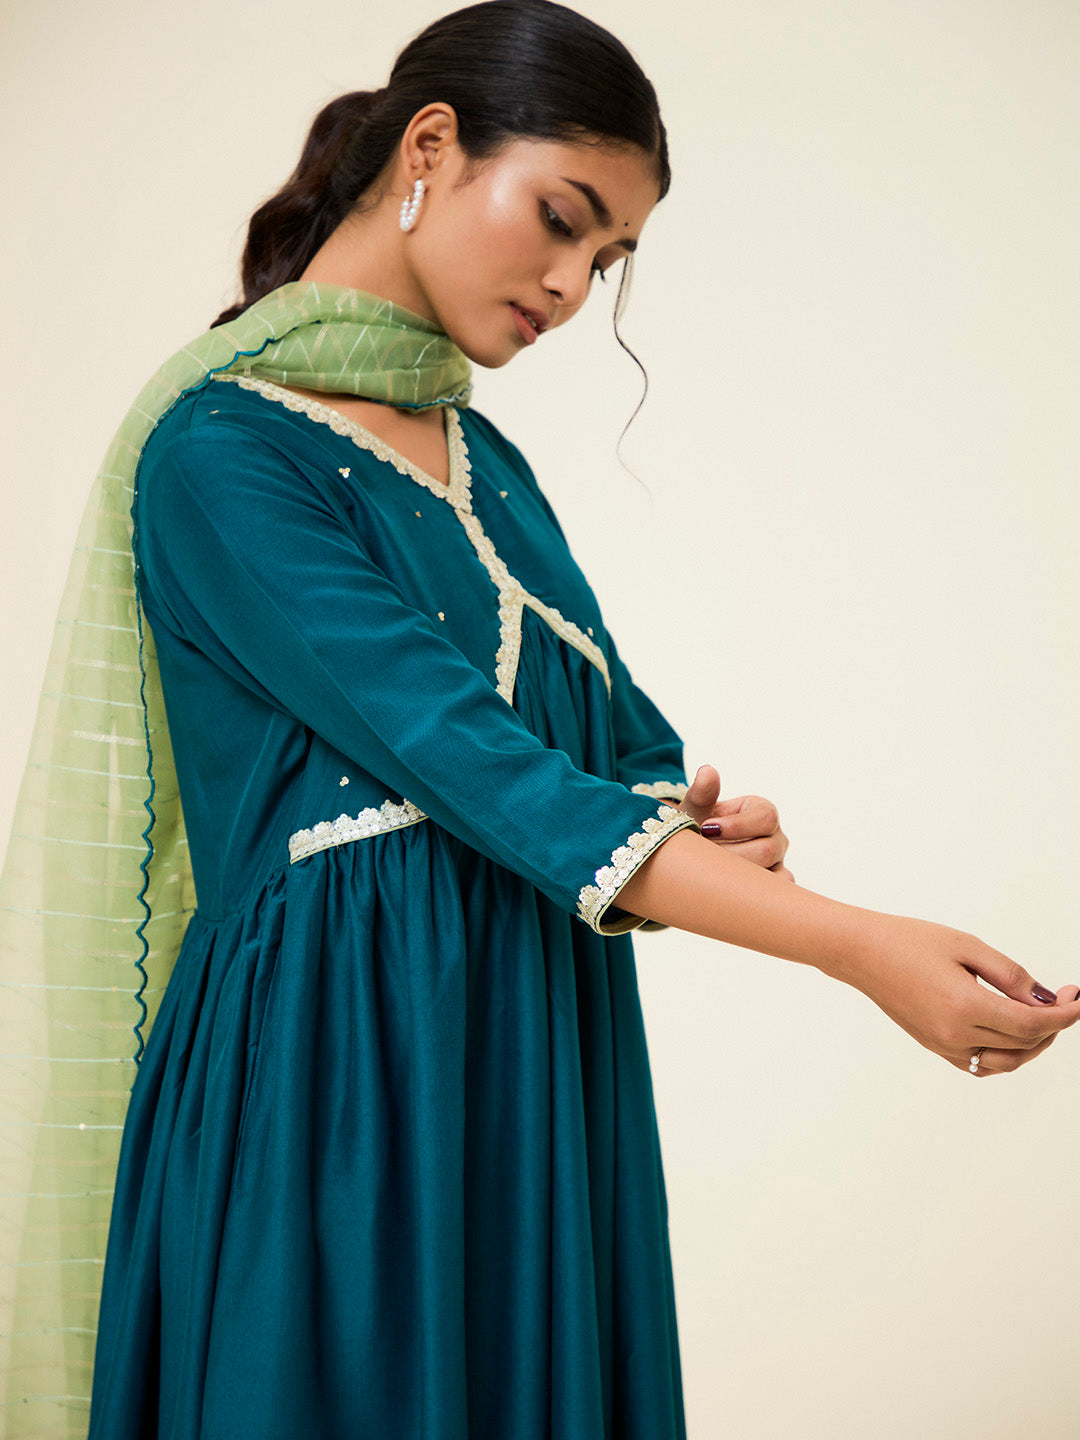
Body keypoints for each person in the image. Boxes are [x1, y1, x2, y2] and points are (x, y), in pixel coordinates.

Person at [1, 2, 1076, 1437]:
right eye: (563, 219)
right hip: (337, 1083)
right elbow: (471, 761)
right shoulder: (222, 453)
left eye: (609, 259)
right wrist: (855, 945)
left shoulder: (485, 461)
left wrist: (696, 835)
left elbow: (611, 749)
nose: (573, 286)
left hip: (529, 1062)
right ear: (430, 147)